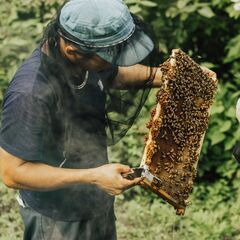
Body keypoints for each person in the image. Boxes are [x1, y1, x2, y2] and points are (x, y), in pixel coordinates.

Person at [0, 0, 216, 239]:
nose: (115, 61)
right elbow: (11, 173)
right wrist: (93, 176)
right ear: (72, 50)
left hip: (95, 199)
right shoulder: (30, 93)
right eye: (109, 55)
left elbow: (115, 74)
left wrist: (168, 76)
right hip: (57, 218)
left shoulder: (83, 58)